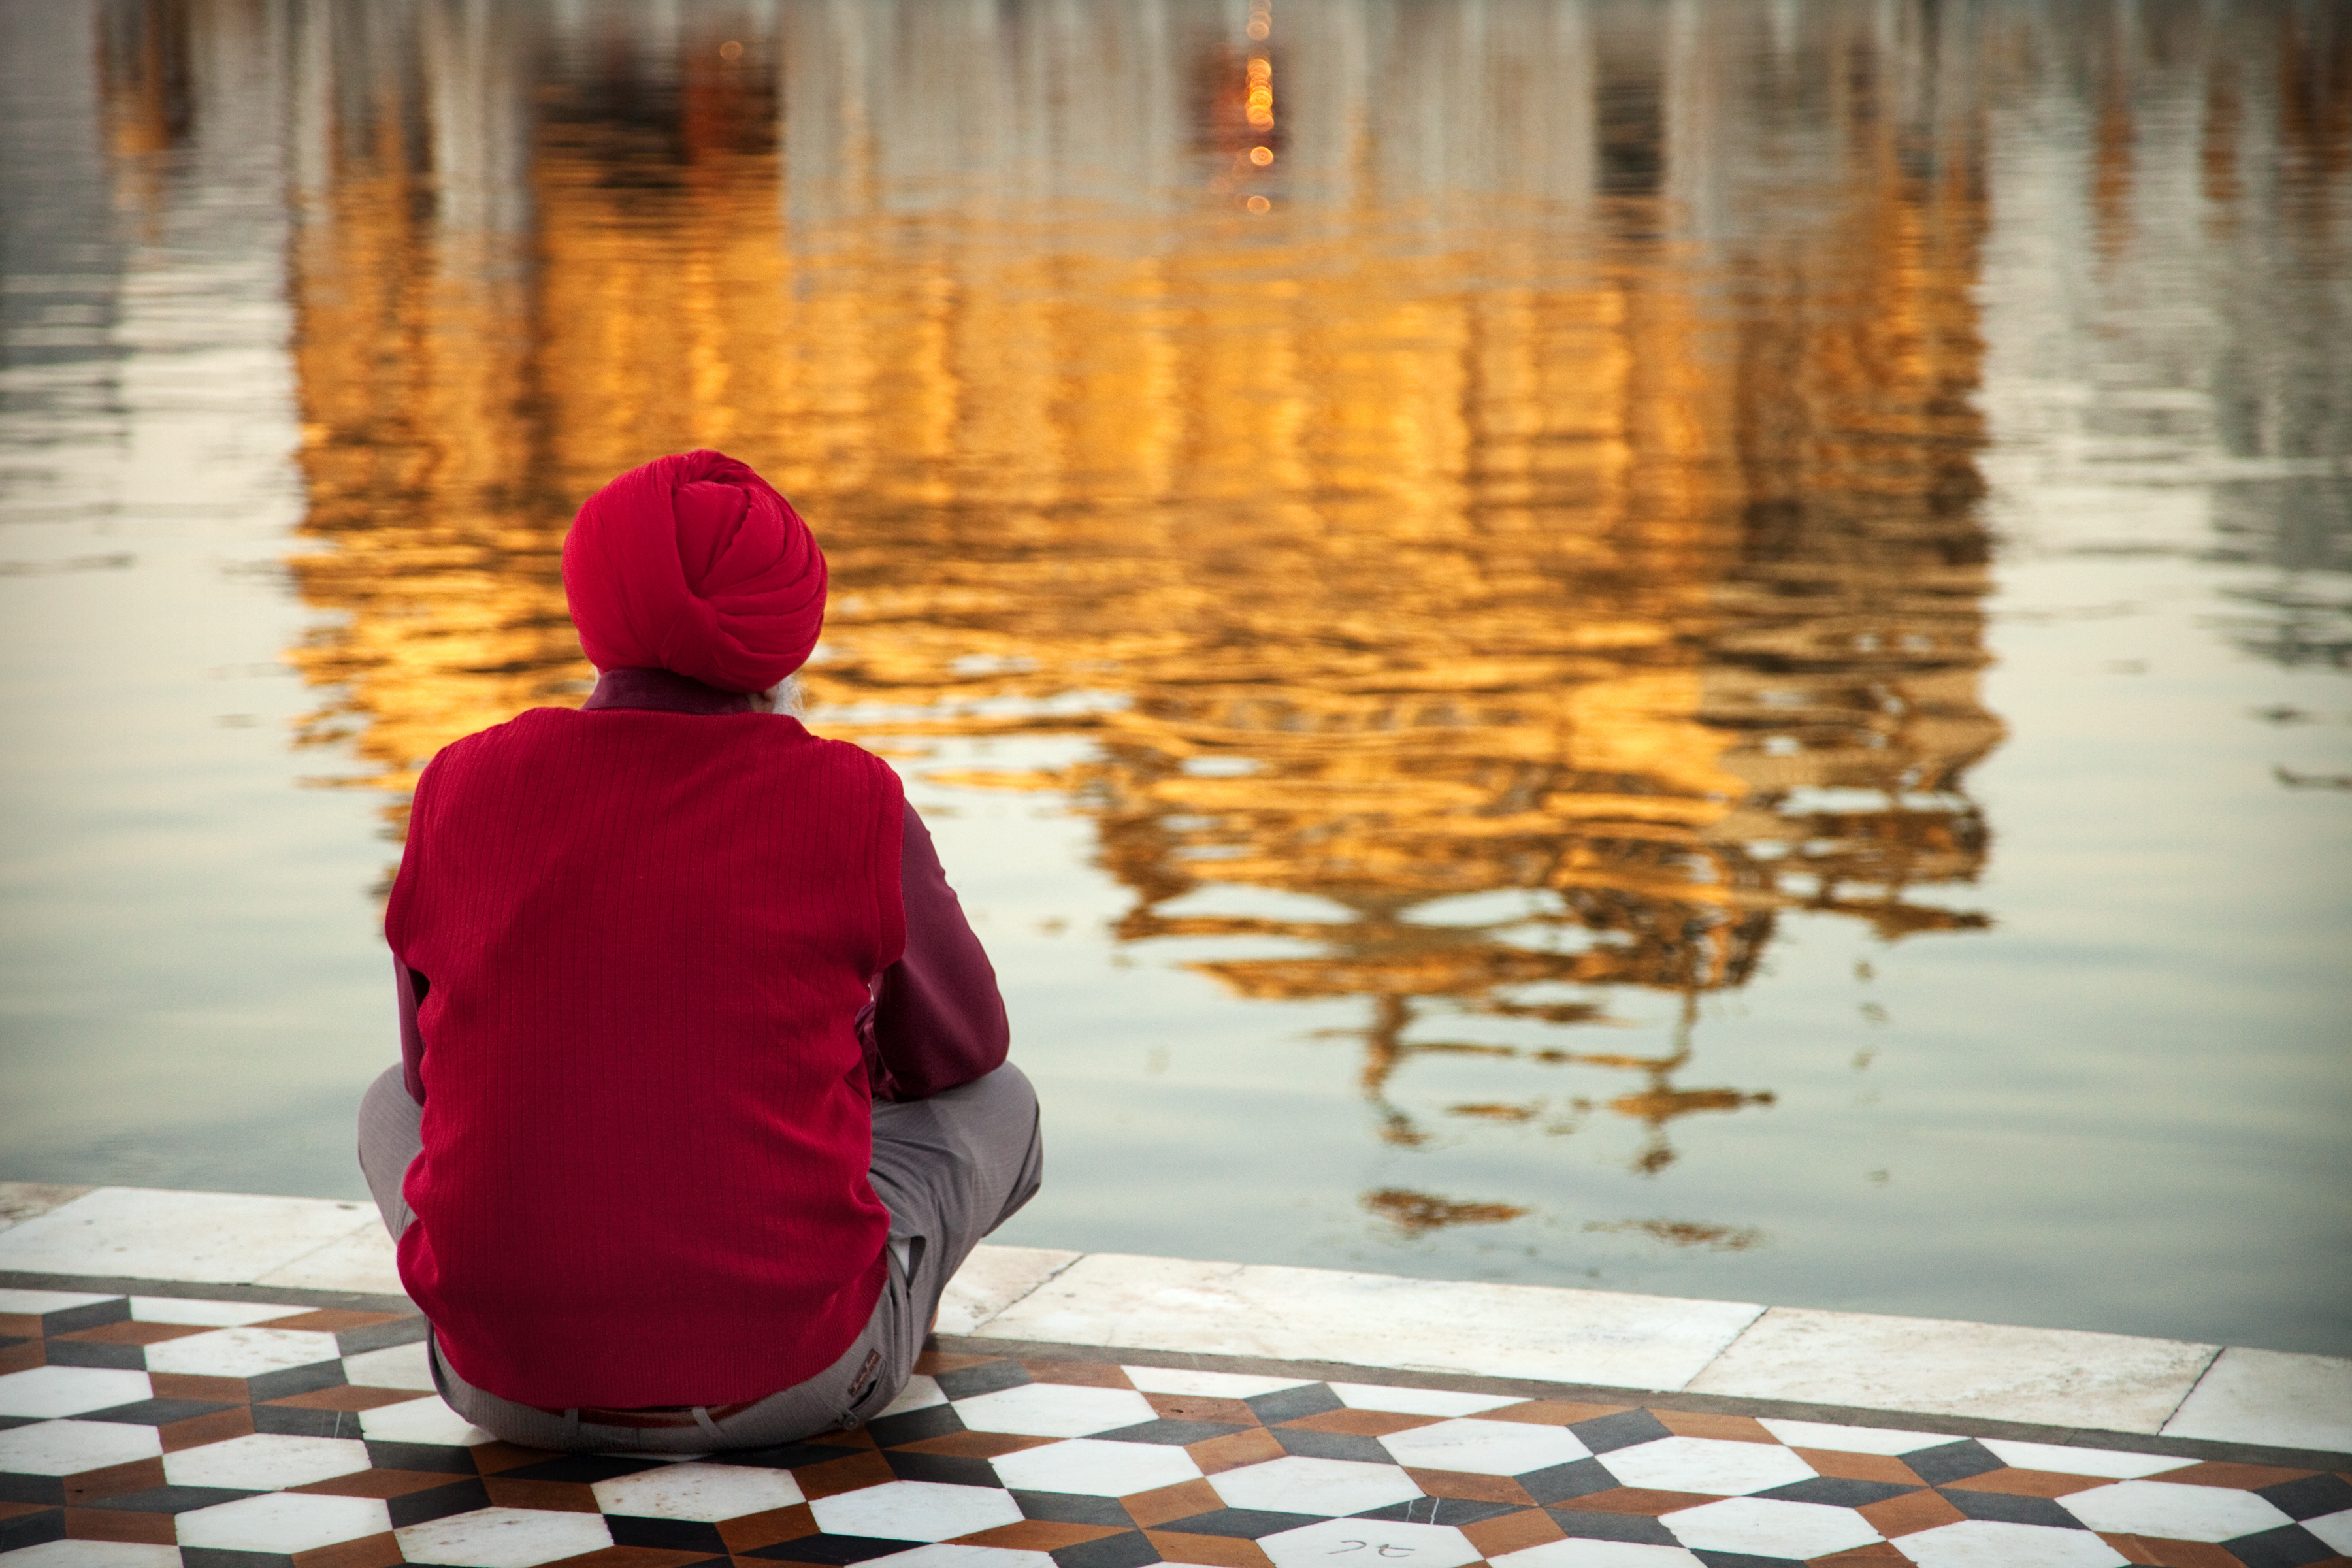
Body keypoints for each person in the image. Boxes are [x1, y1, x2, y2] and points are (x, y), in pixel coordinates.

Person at [355, 449, 1039, 1451]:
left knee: (387, 1102)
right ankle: (880, 1324)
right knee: (1002, 1103)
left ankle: (556, 1348)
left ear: (597, 604)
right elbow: (965, 1054)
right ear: (790, 629)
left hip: (497, 1388)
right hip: (793, 1385)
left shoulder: (462, 783)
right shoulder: (850, 796)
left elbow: (431, 1080)